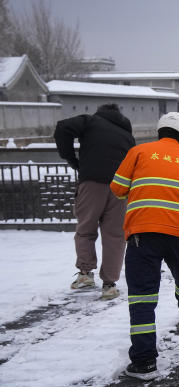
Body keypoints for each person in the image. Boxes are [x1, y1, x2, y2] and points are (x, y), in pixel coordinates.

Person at [109, 112, 179, 380]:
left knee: (143, 296)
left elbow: (117, 188)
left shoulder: (139, 152)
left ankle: (144, 363)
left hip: (144, 233)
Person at [54, 103, 136, 300]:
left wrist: (72, 160)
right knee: (115, 236)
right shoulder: (127, 134)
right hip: (120, 188)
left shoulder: (90, 121)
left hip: (92, 183)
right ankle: (109, 285)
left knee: (86, 230)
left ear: (101, 112)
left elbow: (62, 128)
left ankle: (85, 274)